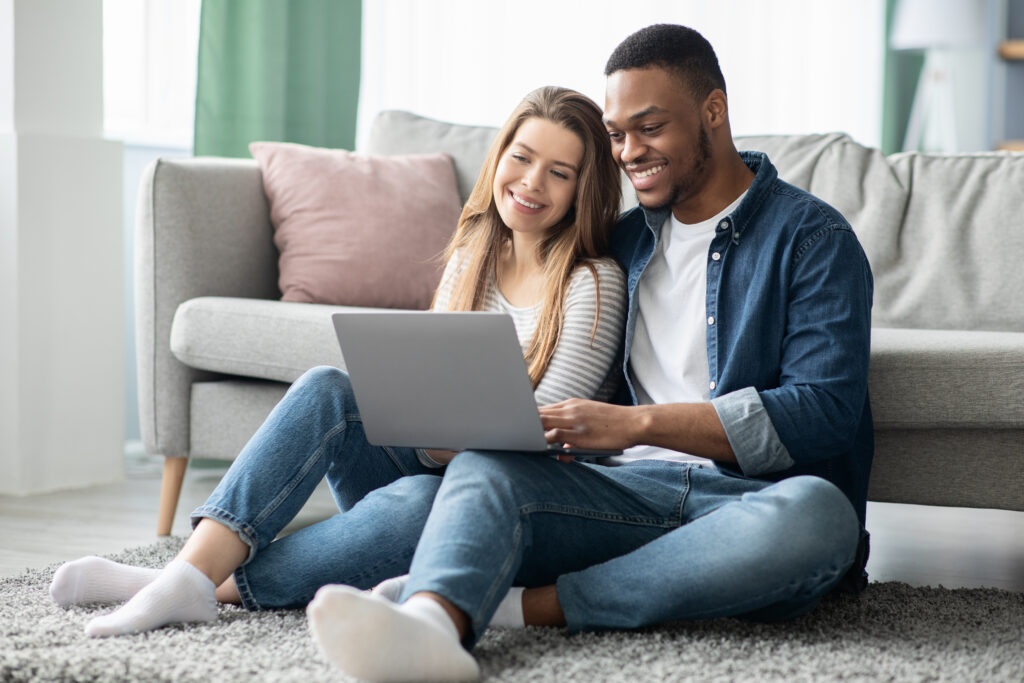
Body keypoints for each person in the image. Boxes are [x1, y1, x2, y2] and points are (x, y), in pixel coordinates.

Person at [305, 23, 874, 683]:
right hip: (616, 497)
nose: (629, 152)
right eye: (617, 134)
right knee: (487, 464)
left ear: (713, 111)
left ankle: (523, 607)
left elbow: (824, 412)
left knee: (819, 516)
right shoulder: (621, 243)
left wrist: (635, 424)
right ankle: (432, 623)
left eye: (649, 128)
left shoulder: (812, 238)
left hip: (742, 505)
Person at [47, 85, 627, 638]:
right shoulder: (472, 259)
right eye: (521, 157)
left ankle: (183, 584)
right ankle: (188, 575)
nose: (531, 182)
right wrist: (417, 422)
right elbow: (434, 398)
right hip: (438, 463)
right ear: (499, 158)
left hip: (502, 509)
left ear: (583, 190)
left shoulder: (592, 283)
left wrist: (434, 433)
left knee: (418, 503)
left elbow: (537, 438)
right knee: (327, 387)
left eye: (559, 172)